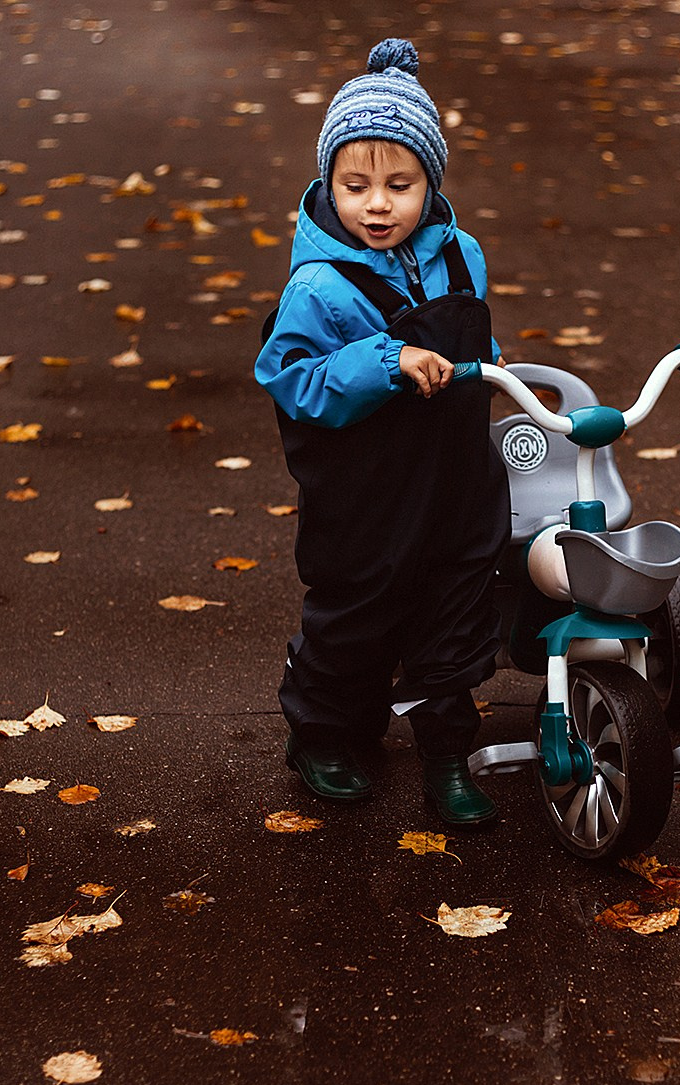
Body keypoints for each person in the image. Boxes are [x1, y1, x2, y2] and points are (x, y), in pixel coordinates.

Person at [255, 38, 509, 828]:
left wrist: (496, 369)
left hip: (456, 479)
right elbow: (290, 380)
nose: (376, 204)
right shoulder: (320, 286)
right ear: (327, 183)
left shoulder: (460, 256)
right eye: (355, 184)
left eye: (399, 185)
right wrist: (384, 359)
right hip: (367, 491)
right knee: (356, 613)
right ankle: (322, 733)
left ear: (430, 182)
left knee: (455, 609)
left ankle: (445, 755)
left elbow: (479, 344)